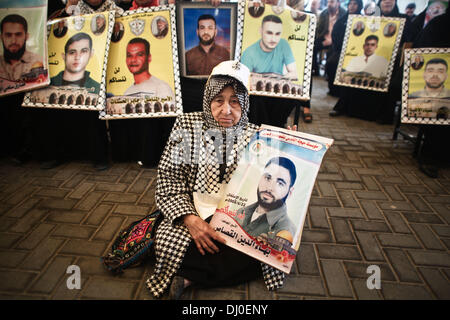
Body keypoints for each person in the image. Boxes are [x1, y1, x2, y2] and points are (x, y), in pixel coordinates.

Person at [145, 60, 287, 300]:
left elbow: (269, 191)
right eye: (218, 100)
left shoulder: (258, 137)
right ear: (207, 100)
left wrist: (288, 149)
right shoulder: (186, 127)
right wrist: (190, 220)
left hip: (241, 218)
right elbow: (169, 180)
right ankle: (210, 270)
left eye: (235, 101)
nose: (226, 110)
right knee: (167, 238)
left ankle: (189, 276)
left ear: (245, 104)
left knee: (274, 246)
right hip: (194, 209)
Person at [236, 157, 297, 244]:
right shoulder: (242, 211)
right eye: (268, 178)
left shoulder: (285, 230)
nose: (269, 188)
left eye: (280, 183)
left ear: (290, 192)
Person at [326, 0, 363, 98]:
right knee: (331, 63)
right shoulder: (342, 19)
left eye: (355, 4)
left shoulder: (363, 20)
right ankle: (333, 89)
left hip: (357, 52)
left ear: (359, 6)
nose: (352, 6)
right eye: (350, 4)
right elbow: (335, 34)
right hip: (340, 50)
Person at [241, 14, 297, 79]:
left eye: (277, 34)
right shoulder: (248, 54)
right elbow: (244, 80)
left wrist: (277, 78)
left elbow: (294, 74)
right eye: (269, 33)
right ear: (260, 31)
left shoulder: (283, 44)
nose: (273, 39)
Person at [0, 14, 43, 82]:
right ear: (1, 37)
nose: (13, 41)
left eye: (18, 34)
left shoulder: (38, 61)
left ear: (26, 36)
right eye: (8, 35)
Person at [313, 0, 346, 76]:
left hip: (336, 40)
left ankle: (328, 73)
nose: (329, 4)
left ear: (338, 3)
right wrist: (323, 40)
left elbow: (342, 32)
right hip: (324, 38)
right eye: (328, 2)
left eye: (331, 2)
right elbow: (319, 29)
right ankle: (315, 70)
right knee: (312, 46)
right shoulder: (324, 13)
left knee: (333, 51)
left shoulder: (343, 14)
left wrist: (331, 41)